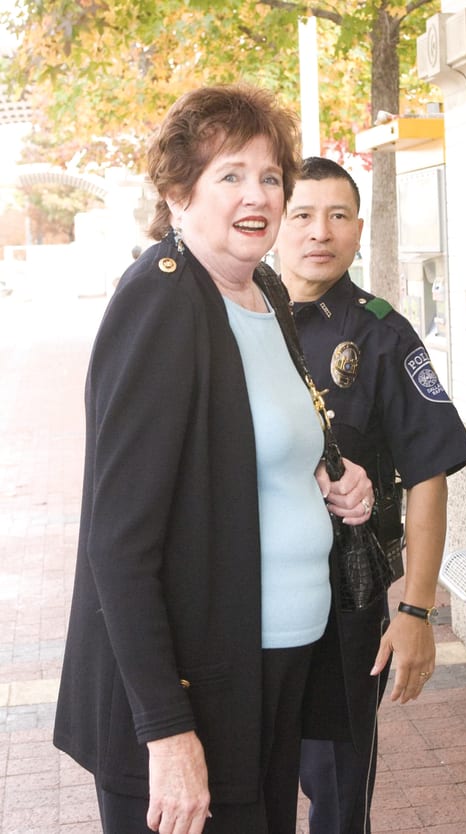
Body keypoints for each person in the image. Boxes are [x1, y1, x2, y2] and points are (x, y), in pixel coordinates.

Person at [53, 85, 376, 834]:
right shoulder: (161, 303)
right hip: (198, 684)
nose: (257, 195)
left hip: (272, 667)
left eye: (269, 176)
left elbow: (261, 444)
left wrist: (336, 477)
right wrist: (166, 732)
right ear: (177, 191)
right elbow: (119, 542)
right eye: (229, 175)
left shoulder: (262, 289)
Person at [275, 156, 466, 833]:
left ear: (359, 229)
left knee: (337, 785)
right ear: (277, 219)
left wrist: (416, 610)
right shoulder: (239, 320)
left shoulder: (380, 334)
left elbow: (428, 473)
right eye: (302, 214)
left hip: (346, 597)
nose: (318, 232)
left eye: (337, 216)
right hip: (251, 590)